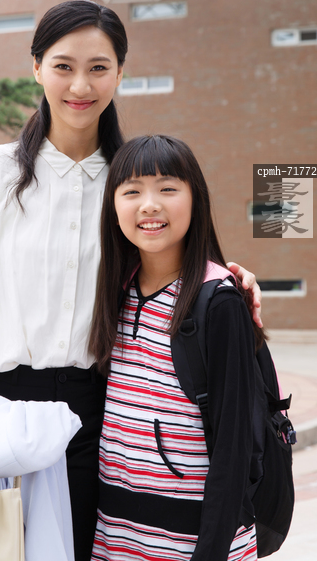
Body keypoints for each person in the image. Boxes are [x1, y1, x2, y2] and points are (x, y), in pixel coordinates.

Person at [0, 0, 262, 561]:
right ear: (36, 68)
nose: (80, 85)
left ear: (120, 72)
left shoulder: (130, 183)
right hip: (1, 407)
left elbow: (172, 262)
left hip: (98, 414)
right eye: (63, 66)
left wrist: (232, 279)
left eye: (98, 68)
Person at [89, 134, 263, 561]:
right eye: (132, 191)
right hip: (116, 535)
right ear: (113, 207)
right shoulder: (117, 290)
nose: (149, 205)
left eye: (167, 188)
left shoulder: (217, 301)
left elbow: (234, 448)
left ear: (195, 199)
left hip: (193, 539)